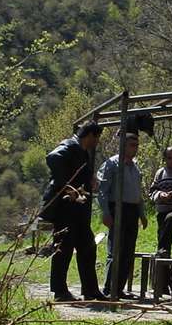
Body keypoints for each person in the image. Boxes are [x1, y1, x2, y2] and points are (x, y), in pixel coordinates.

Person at [45, 120, 107, 302]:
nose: (97, 143)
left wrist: (91, 179)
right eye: (96, 138)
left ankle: (90, 290)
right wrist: (67, 187)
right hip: (65, 209)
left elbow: (81, 173)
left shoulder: (81, 152)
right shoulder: (69, 146)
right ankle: (60, 291)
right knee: (63, 249)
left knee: (88, 246)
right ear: (90, 136)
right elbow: (53, 158)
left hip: (78, 211)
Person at [97, 132, 148, 299]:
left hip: (132, 211)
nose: (135, 148)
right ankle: (109, 288)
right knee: (116, 250)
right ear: (123, 146)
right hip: (117, 208)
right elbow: (103, 191)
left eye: (136, 145)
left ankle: (119, 288)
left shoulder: (135, 167)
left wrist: (142, 214)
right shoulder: (112, 164)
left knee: (128, 251)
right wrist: (106, 212)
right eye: (132, 145)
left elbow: (137, 193)